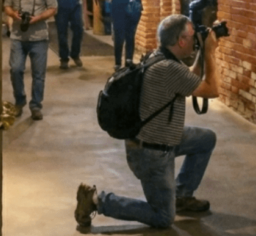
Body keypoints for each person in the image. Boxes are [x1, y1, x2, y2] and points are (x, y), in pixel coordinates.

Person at [75, 14, 223, 229]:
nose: (195, 40)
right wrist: (209, 52)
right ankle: (97, 201)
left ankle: (181, 195)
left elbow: (189, 80)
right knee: (163, 217)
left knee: (206, 139)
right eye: (192, 37)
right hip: (152, 153)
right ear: (181, 41)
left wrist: (201, 51)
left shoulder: (160, 57)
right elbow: (212, 89)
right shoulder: (169, 68)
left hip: (161, 138)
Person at [4, 0, 58, 121]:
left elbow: (53, 8)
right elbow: (6, 6)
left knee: (39, 74)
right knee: (16, 69)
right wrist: (13, 14)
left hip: (39, 37)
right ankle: (19, 101)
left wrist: (38, 18)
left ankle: (35, 106)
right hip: (18, 36)